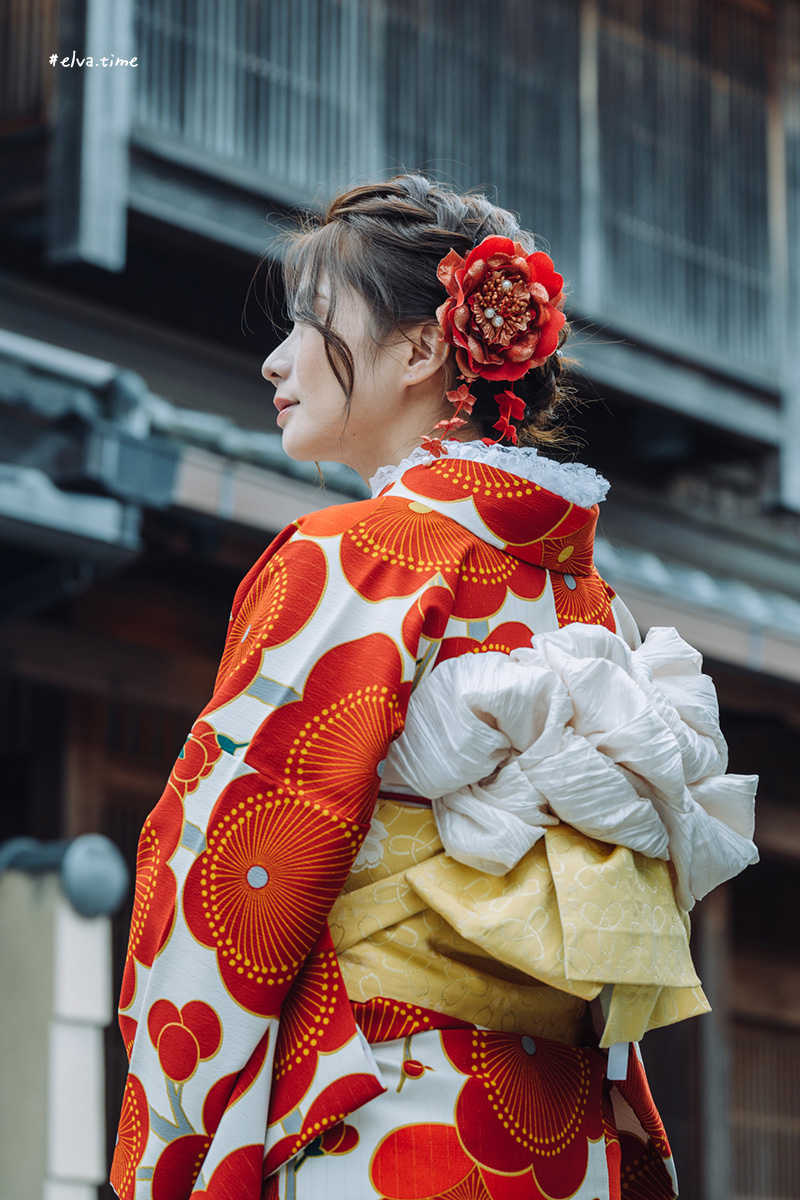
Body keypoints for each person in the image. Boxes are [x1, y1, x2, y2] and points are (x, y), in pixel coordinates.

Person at [110, 174, 758, 1200]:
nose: (277, 362)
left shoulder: (351, 558)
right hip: (559, 1127)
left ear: (420, 351)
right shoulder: (588, 601)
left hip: (381, 1109)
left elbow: (231, 862)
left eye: (309, 324)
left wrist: (180, 1145)